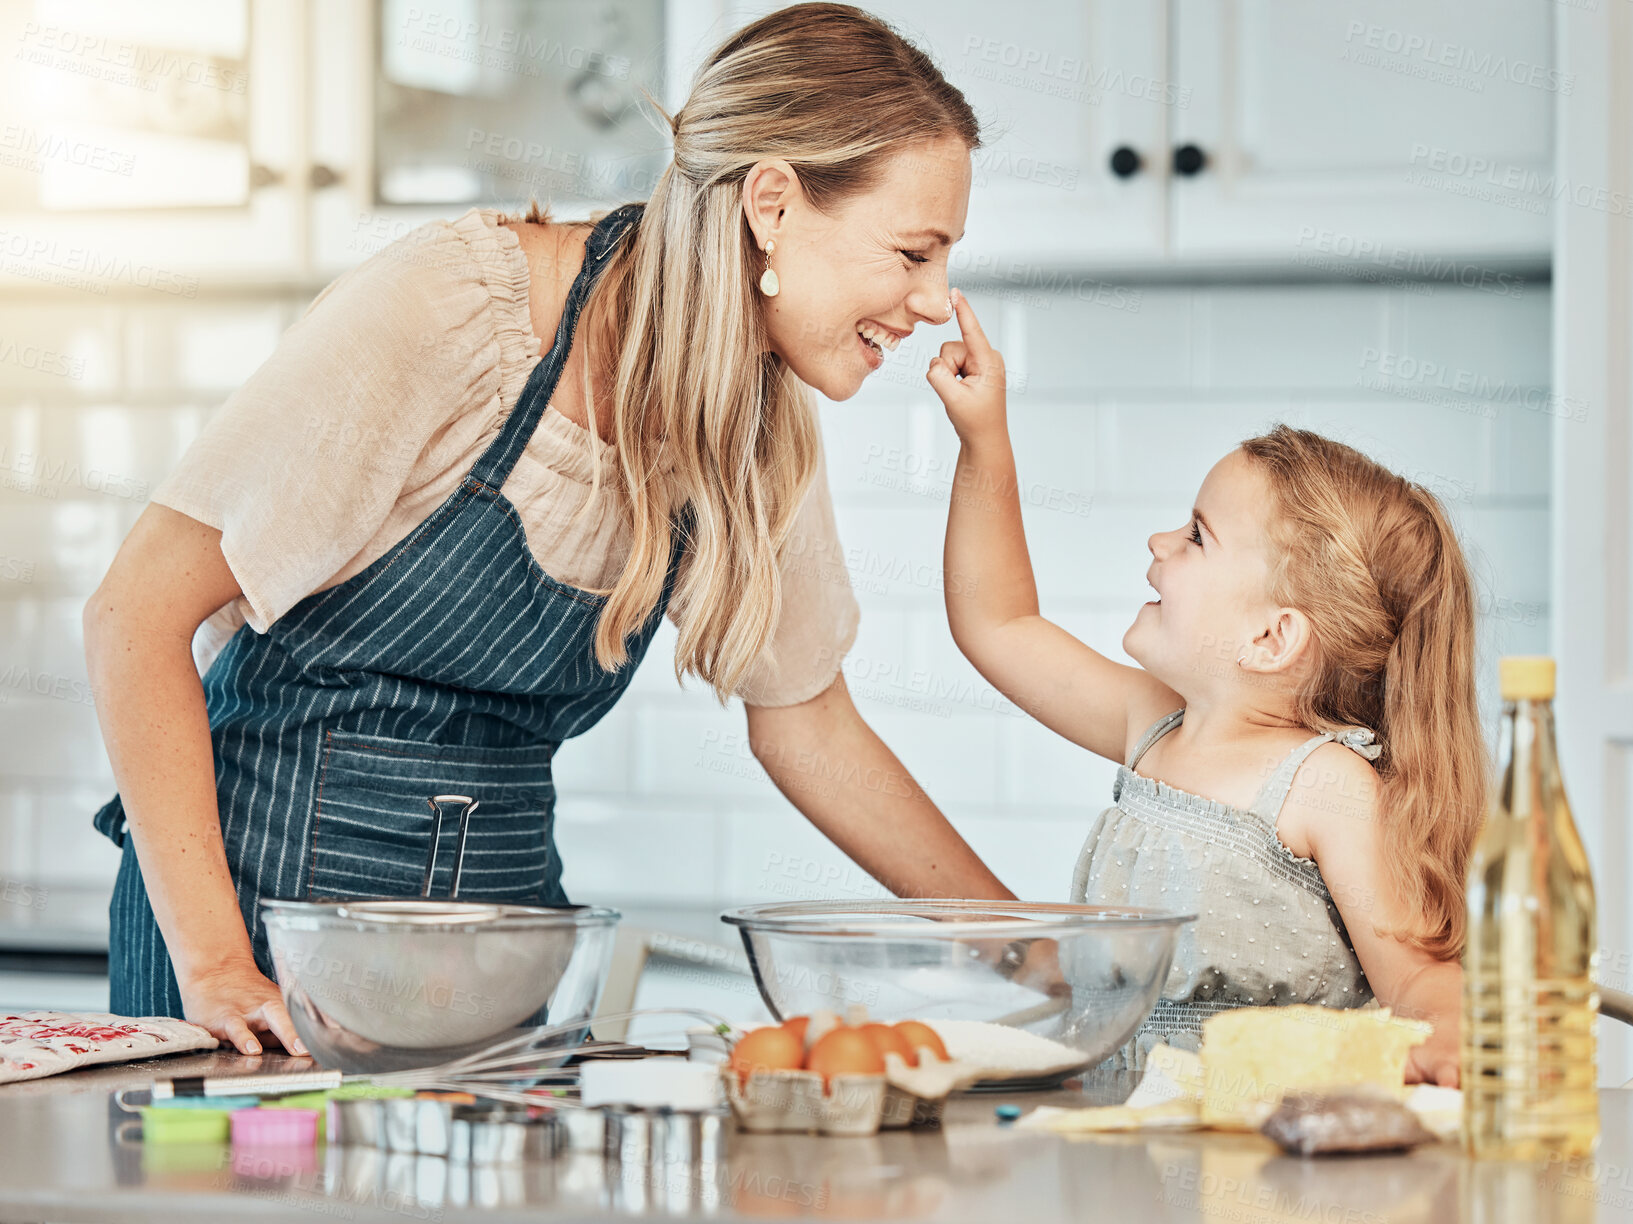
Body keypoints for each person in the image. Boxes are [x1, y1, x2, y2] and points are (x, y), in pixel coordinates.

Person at [83, 3, 1015, 1056]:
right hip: (262, 941)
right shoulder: (458, 308)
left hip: (491, 962)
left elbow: (806, 723)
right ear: (772, 205)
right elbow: (134, 615)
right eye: (912, 252)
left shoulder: (752, 422)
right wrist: (213, 964)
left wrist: (1026, 946)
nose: (935, 301)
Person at [928, 292, 1481, 1085]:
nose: (1158, 541)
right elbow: (997, 622)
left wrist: (1453, 1029)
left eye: (1195, 536)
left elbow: (1415, 978)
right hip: (1120, 1139)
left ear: (1271, 637)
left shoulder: (1323, 786)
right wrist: (983, 439)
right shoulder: (1153, 727)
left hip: (1253, 1171)